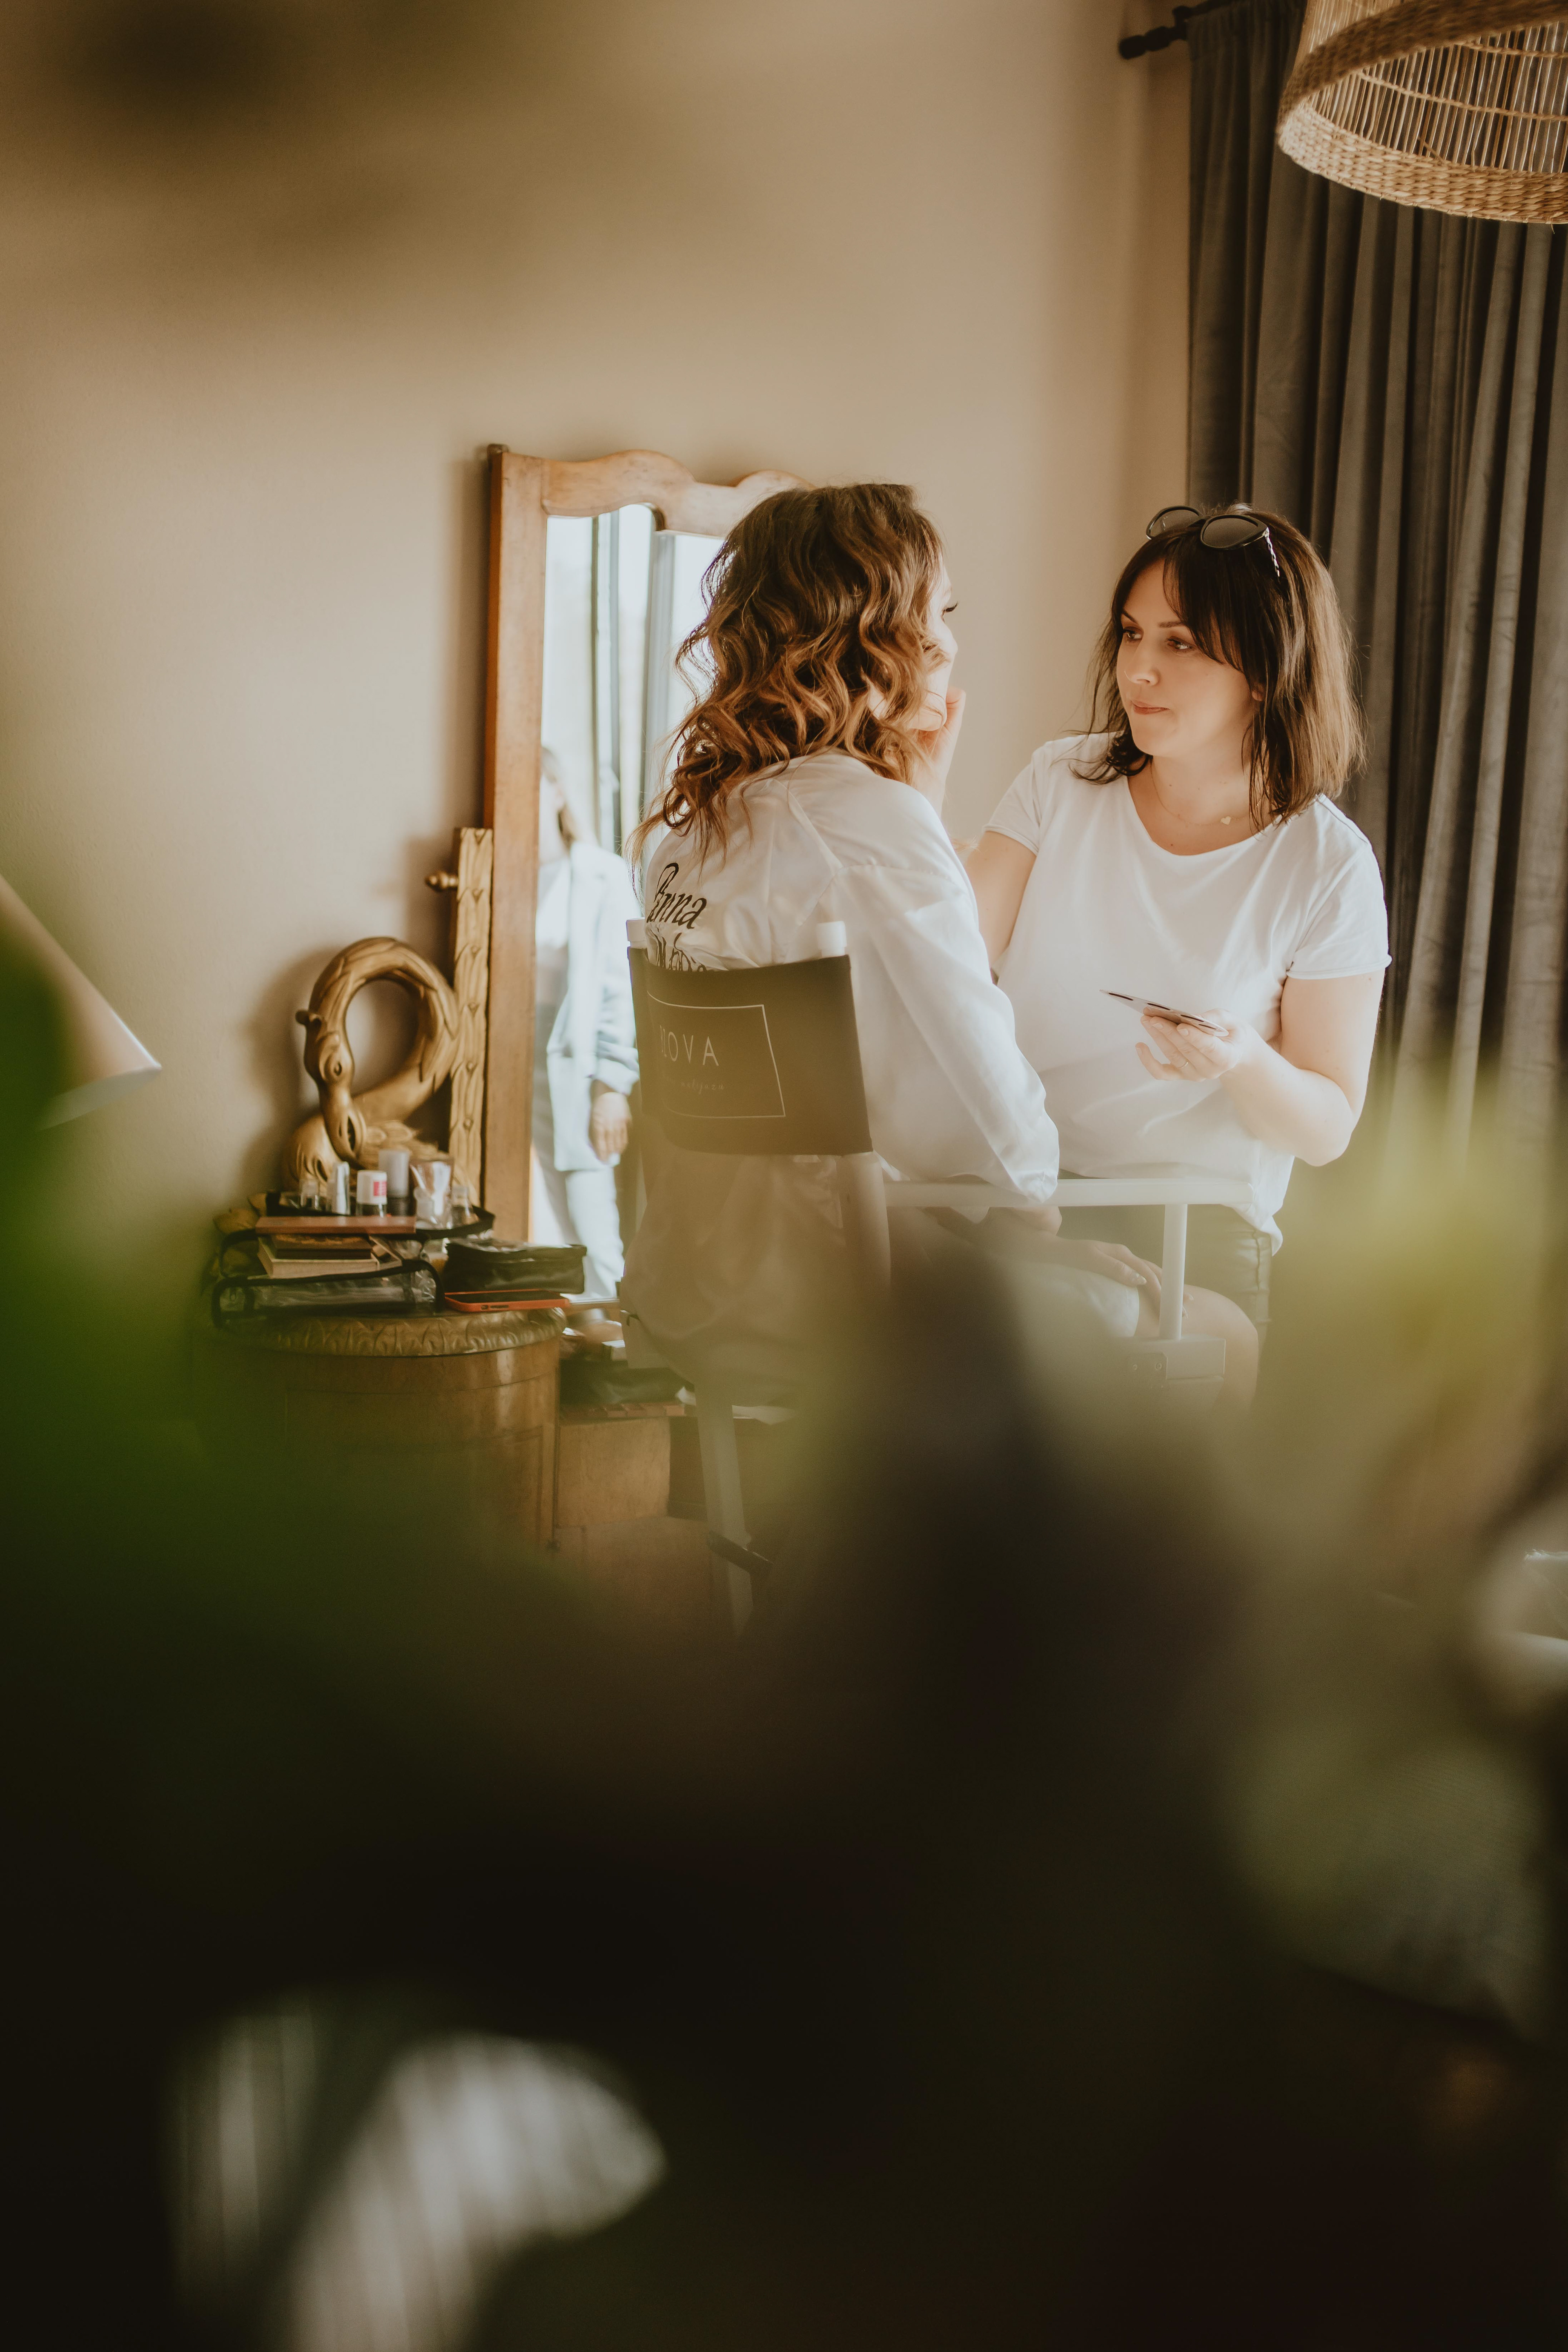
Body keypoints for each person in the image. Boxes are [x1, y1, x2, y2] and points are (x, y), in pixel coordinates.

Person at [622, 484, 1255, 1401]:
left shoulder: (694, 838)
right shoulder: (868, 824)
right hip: (845, 1314)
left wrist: (915, 810)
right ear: (868, 631)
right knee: (1223, 1329)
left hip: (700, 1292)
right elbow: (1009, 1152)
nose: (950, 646)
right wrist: (1035, 1227)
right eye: (937, 614)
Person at [967, 504, 1390, 1338]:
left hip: (1195, 1227)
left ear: (1266, 670)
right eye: (1132, 635)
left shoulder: (1327, 864)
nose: (1139, 670)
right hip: (1020, 1196)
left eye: (1180, 643)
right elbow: (946, 966)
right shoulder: (1060, 781)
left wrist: (1240, 1061)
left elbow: (1326, 1129)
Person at [532, 751, 641, 1307]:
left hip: (576, 1070)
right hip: (512, 1068)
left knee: (592, 1229)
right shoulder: (499, 878)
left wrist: (611, 1087)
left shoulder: (600, 874)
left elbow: (621, 989)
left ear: (556, 792)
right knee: (538, 1225)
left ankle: (622, 1340)